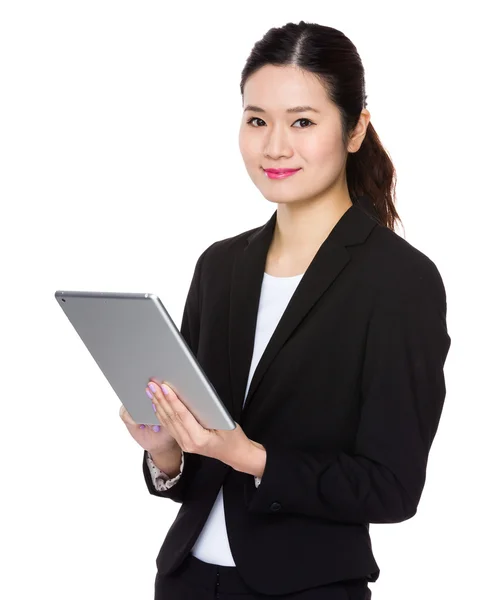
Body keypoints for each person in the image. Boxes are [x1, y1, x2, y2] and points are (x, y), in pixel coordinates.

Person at [120, 20, 451, 600]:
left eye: (302, 121)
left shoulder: (400, 281)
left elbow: (393, 489)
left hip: (307, 588)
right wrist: (167, 452)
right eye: (257, 120)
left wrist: (251, 457)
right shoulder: (219, 266)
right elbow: (197, 471)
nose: (275, 146)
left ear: (355, 131)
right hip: (186, 582)